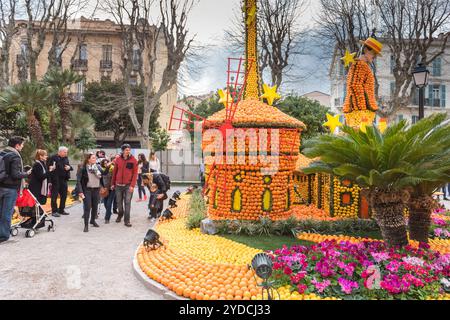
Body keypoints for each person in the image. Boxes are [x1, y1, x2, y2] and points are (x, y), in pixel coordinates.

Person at [0, 137, 31, 243]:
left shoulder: (2, 153)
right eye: (22, 145)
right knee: (7, 213)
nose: (22, 147)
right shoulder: (15, 156)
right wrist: (27, 173)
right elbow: (15, 175)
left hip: (1, 186)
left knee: (1, 212)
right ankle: (3, 236)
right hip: (10, 188)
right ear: (17, 145)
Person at [111, 144, 138, 227]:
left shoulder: (134, 160)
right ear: (123, 151)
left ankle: (127, 220)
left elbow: (135, 173)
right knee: (119, 202)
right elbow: (114, 172)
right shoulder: (118, 160)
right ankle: (120, 214)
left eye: (129, 149)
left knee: (127, 202)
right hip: (118, 185)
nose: (128, 151)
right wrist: (112, 183)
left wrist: (132, 186)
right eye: (126, 150)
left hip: (128, 185)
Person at [77, 153, 103, 232]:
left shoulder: (97, 167)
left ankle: (93, 220)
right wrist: (80, 191)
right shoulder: (83, 168)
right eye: (93, 158)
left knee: (95, 206)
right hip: (87, 190)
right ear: (88, 159)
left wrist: (109, 165)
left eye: (95, 158)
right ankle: (86, 225)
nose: (95, 159)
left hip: (96, 189)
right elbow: (78, 181)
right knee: (87, 207)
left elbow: (103, 174)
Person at [48, 146, 73, 217]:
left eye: (66, 152)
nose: (66, 153)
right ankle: (54, 211)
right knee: (54, 196)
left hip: (64, 179)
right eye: (65, 152)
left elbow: (69, 166)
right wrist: (49, 180)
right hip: (55, 180)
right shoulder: (53, 157)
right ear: (60, 152)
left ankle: (61, 209)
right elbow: (49, 168)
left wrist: (69, 168)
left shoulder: (66, 158)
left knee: (64, 195)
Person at [29, 150, 56, 214]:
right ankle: (37, 220)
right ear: (40, 156)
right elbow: (41, 177)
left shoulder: (42, 163)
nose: (47, 156)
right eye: (45, 155)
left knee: (39, 204)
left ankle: (40, 219)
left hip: (40, 188)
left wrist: (50, 170)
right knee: (37, 204)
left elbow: (45, 175)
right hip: (36, 188)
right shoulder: (37, 164)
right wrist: (50, 170)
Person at [100, 158, 115, 224]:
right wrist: (102, 187)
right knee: (105, 204)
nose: (106, 164)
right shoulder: (101, 170)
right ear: (102, 164)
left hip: (112, 188)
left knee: (109, 203)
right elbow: (100, 181)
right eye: (104, 163)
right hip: (105, 189)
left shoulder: (112, 169)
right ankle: (109, 212)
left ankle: (107, 218)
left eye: (107, 163)